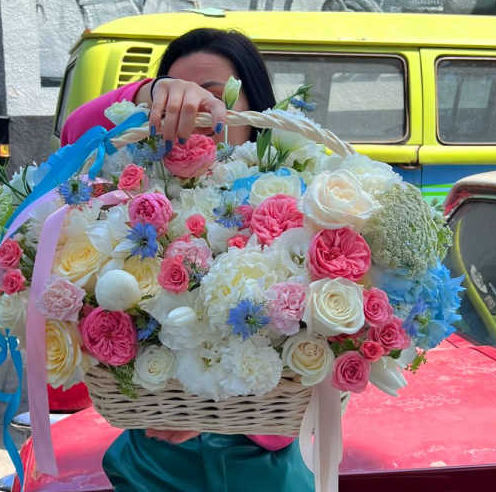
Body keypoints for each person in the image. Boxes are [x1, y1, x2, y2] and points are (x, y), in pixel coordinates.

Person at [60, 28, 315, 492]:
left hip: (259, 469)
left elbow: (311, 375)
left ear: (253, 110)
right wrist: (147, 90)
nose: (190, 113)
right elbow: (75, 132)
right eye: (175, 100)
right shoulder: (138, 200)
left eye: (212, 98)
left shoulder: (292, 197)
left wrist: (211, 410)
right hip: (150, 465)